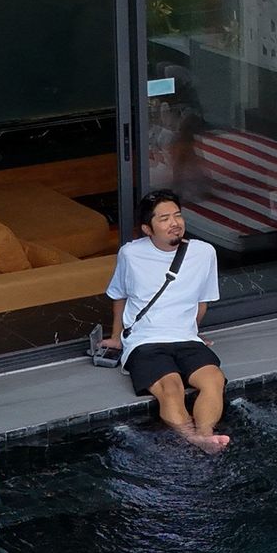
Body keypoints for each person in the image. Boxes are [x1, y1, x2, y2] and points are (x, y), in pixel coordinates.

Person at [100, 189, 229, 452]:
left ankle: (205, 435)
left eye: (177, 216)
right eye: (164, 219)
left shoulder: (204, 253)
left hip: (186, 338)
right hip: (145, 341)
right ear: (148, 229)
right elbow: (119, 297)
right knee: (172, 387)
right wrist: (117, 337)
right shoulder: (131, 254)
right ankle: (192, 438)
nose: (175, 223)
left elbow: (201, 302)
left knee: (213, 379)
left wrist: (192, 331)